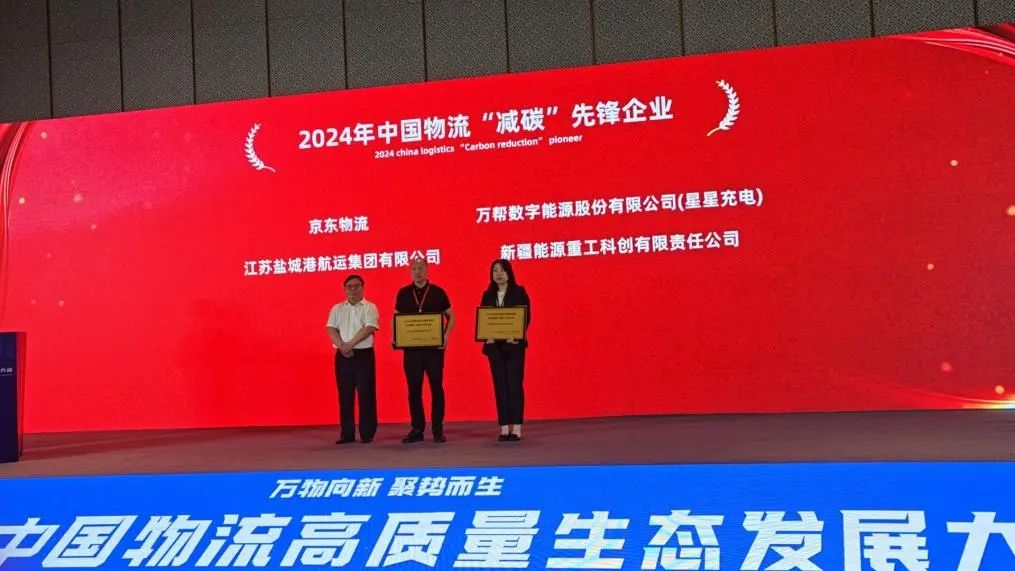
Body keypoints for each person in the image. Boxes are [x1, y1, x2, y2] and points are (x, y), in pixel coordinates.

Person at [394, 258, 454, 443]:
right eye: (414, 268)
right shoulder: (403, 293)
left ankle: (437, 429)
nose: (417, 271)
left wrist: (445, 336)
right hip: (412, 351)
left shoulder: (438, 292)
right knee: (414, 390)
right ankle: (417, 429)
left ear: (427, 270)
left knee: (436, 388)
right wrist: (396, 337)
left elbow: (450, 316)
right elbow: (397, 318)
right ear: (410, 271)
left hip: (434, 350)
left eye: (421, 268)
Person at [480, 259, 531, 441]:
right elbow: (483, 318)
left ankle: (516, 427)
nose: (498, 274)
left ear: (509, 272)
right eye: (495, 271)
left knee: (514, 384)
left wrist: (516, 334)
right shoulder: (487, 294)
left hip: (514, 346)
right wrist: (487, 335)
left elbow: (526, 316)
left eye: (502, 270)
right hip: (495, 347)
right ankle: (503, 427)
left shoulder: (519, 292)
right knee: (500, 385)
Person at [325, 274, 380, 444]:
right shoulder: (337, 308)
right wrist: (342, 346)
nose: (353, 289)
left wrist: (350, 344)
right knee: (345, 395)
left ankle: (367, 433)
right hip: (343, 356)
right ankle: (347, 433)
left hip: (363, 355)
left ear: (362, 288)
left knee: (366, 394)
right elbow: (331, 329)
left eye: (356, 286)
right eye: (349, 287)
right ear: (345, 289)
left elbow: (369, 328)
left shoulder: (370, 307)